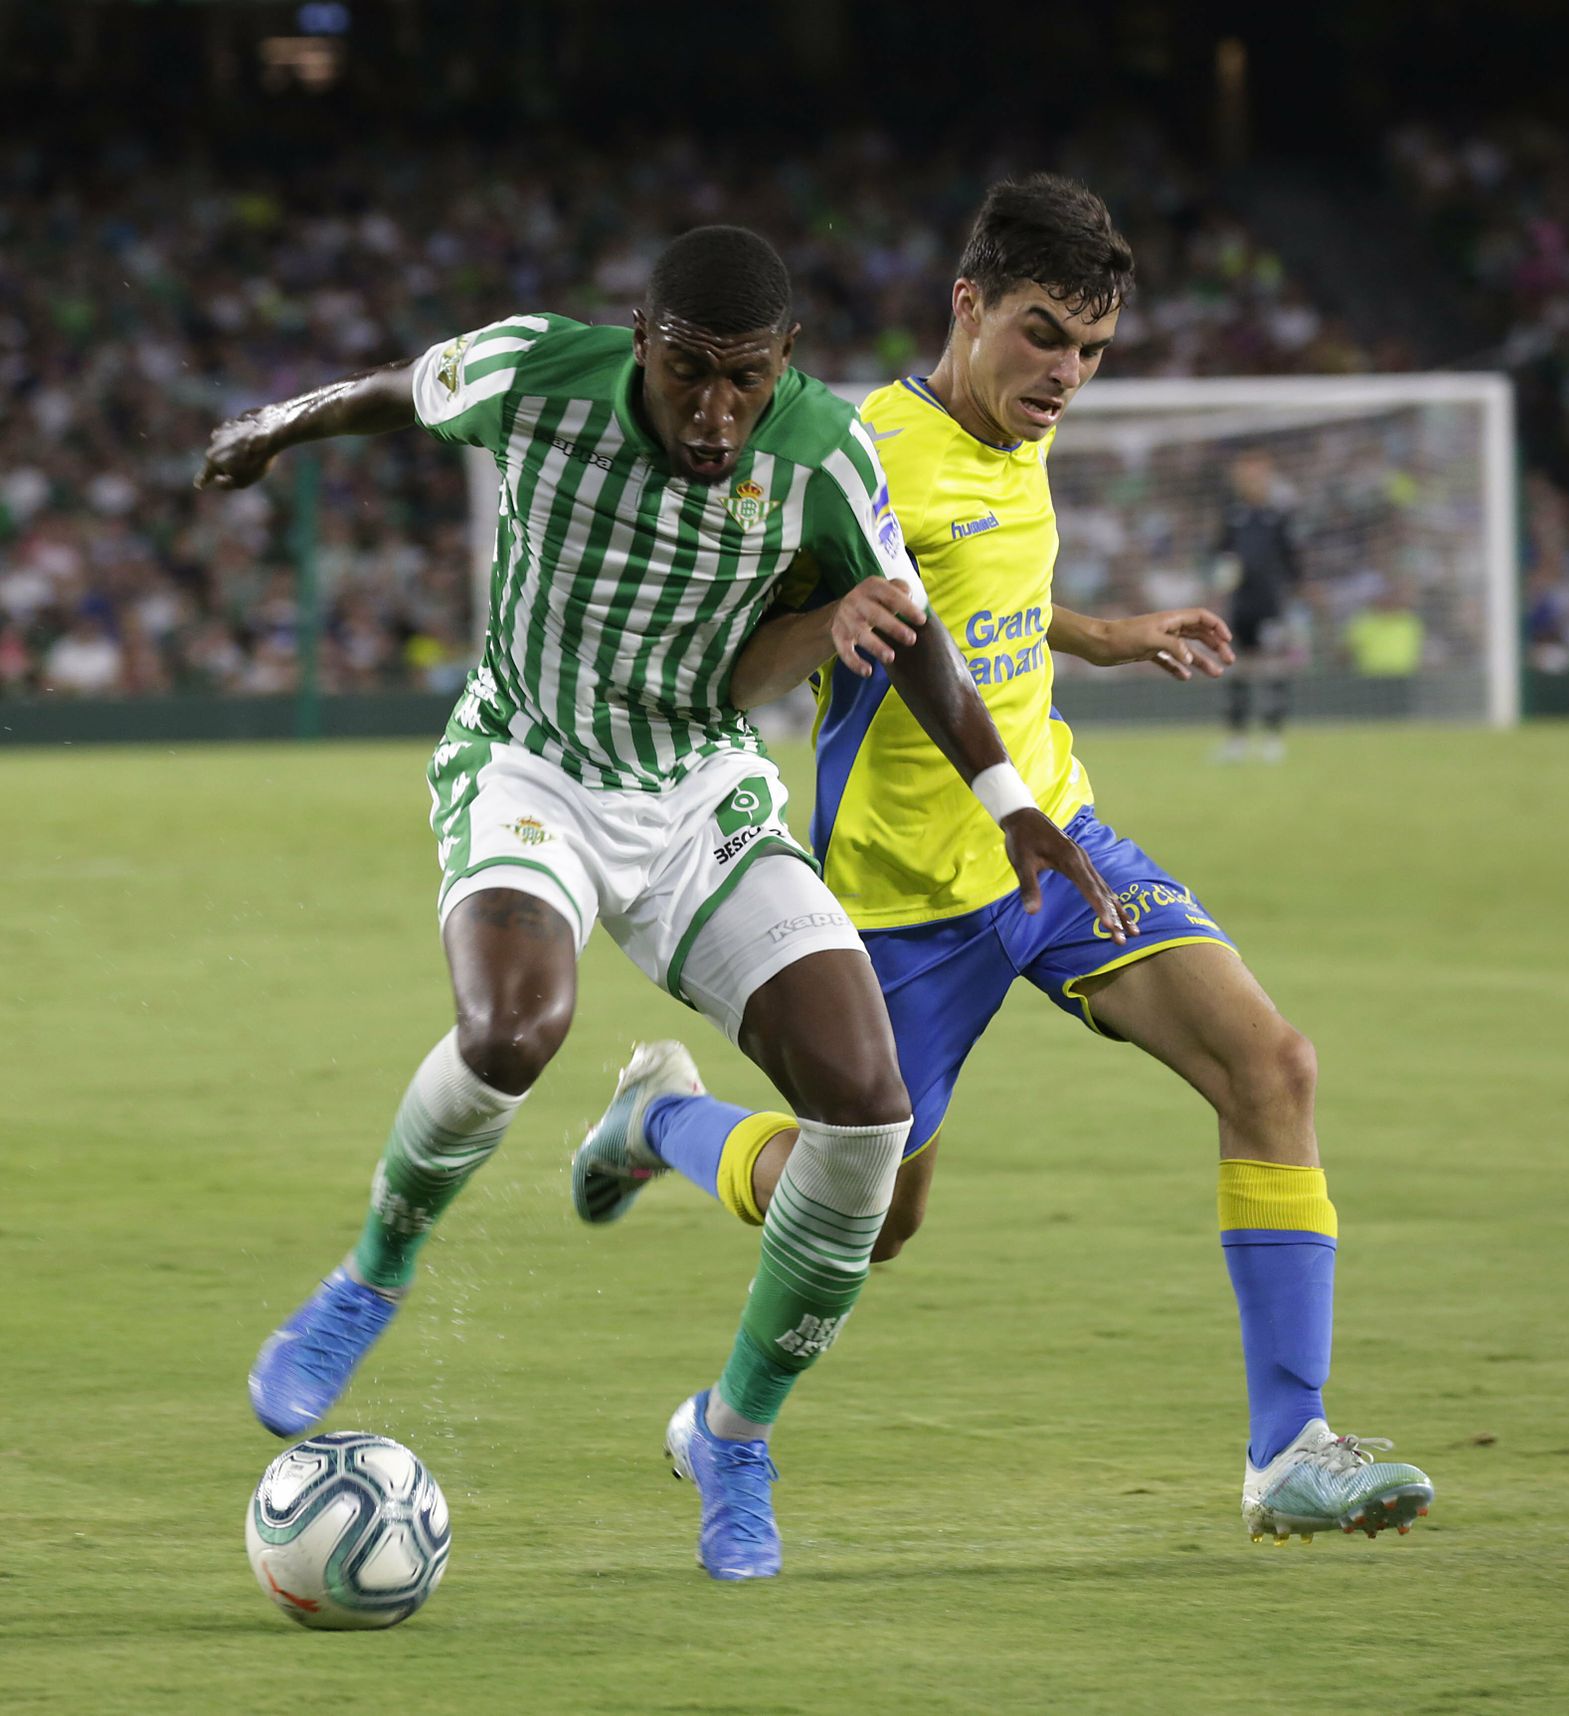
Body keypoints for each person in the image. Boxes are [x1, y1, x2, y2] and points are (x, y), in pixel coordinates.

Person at [195, 224, 1138, 1581]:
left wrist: (1011, 804)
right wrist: (272, 429)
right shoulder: (535, 374)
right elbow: (399, 389)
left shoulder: (823, 452)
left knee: (868, 1115)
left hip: (699, 790)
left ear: (784, 362)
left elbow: (912, 625)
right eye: (688, 370)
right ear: (641, 340)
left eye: (744, 378)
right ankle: (371, 1277)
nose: (714, 410)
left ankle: (731, 1438)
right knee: (513, 1031)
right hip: (531, 764)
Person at [573, 180, 1434, 1546]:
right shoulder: (852, 459)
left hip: (1059, 846)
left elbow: (988, 599)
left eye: (1090, 351)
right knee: (870, 1222)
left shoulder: (1019, 433)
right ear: (966, 305)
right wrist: (826, 628)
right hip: (901, 908)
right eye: (1043, 337)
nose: (1066, 376)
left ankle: (1290, 1450)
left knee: (1272, 1066)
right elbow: (735, 666)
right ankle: (663, 1132)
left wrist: (1108, 636)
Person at [1212, 450, 1304, 763]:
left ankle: (1273, 738)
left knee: (1273, 667)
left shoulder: (1278, 518)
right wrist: (1221, 580)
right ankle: (1236, 739)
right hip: (1241, 606)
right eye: (1245, 476)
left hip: (1269, 605)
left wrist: (1293, 597)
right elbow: (1220, 557)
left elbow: (1293, 563)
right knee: (1237, 669)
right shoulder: (1232, 517)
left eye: (1257, 476)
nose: (1250, 482)